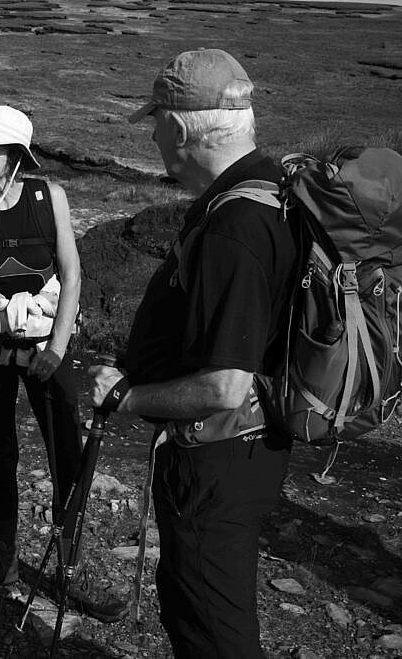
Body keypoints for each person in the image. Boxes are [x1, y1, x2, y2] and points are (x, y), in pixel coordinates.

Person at [89, 49, 299, 657]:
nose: (154, 134)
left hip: (220, 457)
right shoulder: (268, 189)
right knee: (196, 604)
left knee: (213, 627)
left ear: (179, 129)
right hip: (244, 449)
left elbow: (224, 386)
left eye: (155, 121)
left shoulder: (235, 227)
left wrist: (127, 397)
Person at [0, 105, 126, 622]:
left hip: (47, 352)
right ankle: (5, 564)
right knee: (2, 457)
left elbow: (72, 274)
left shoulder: (48, 197)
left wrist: (56, 349)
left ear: (17, 154)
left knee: (67, 460)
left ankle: (69, 572)